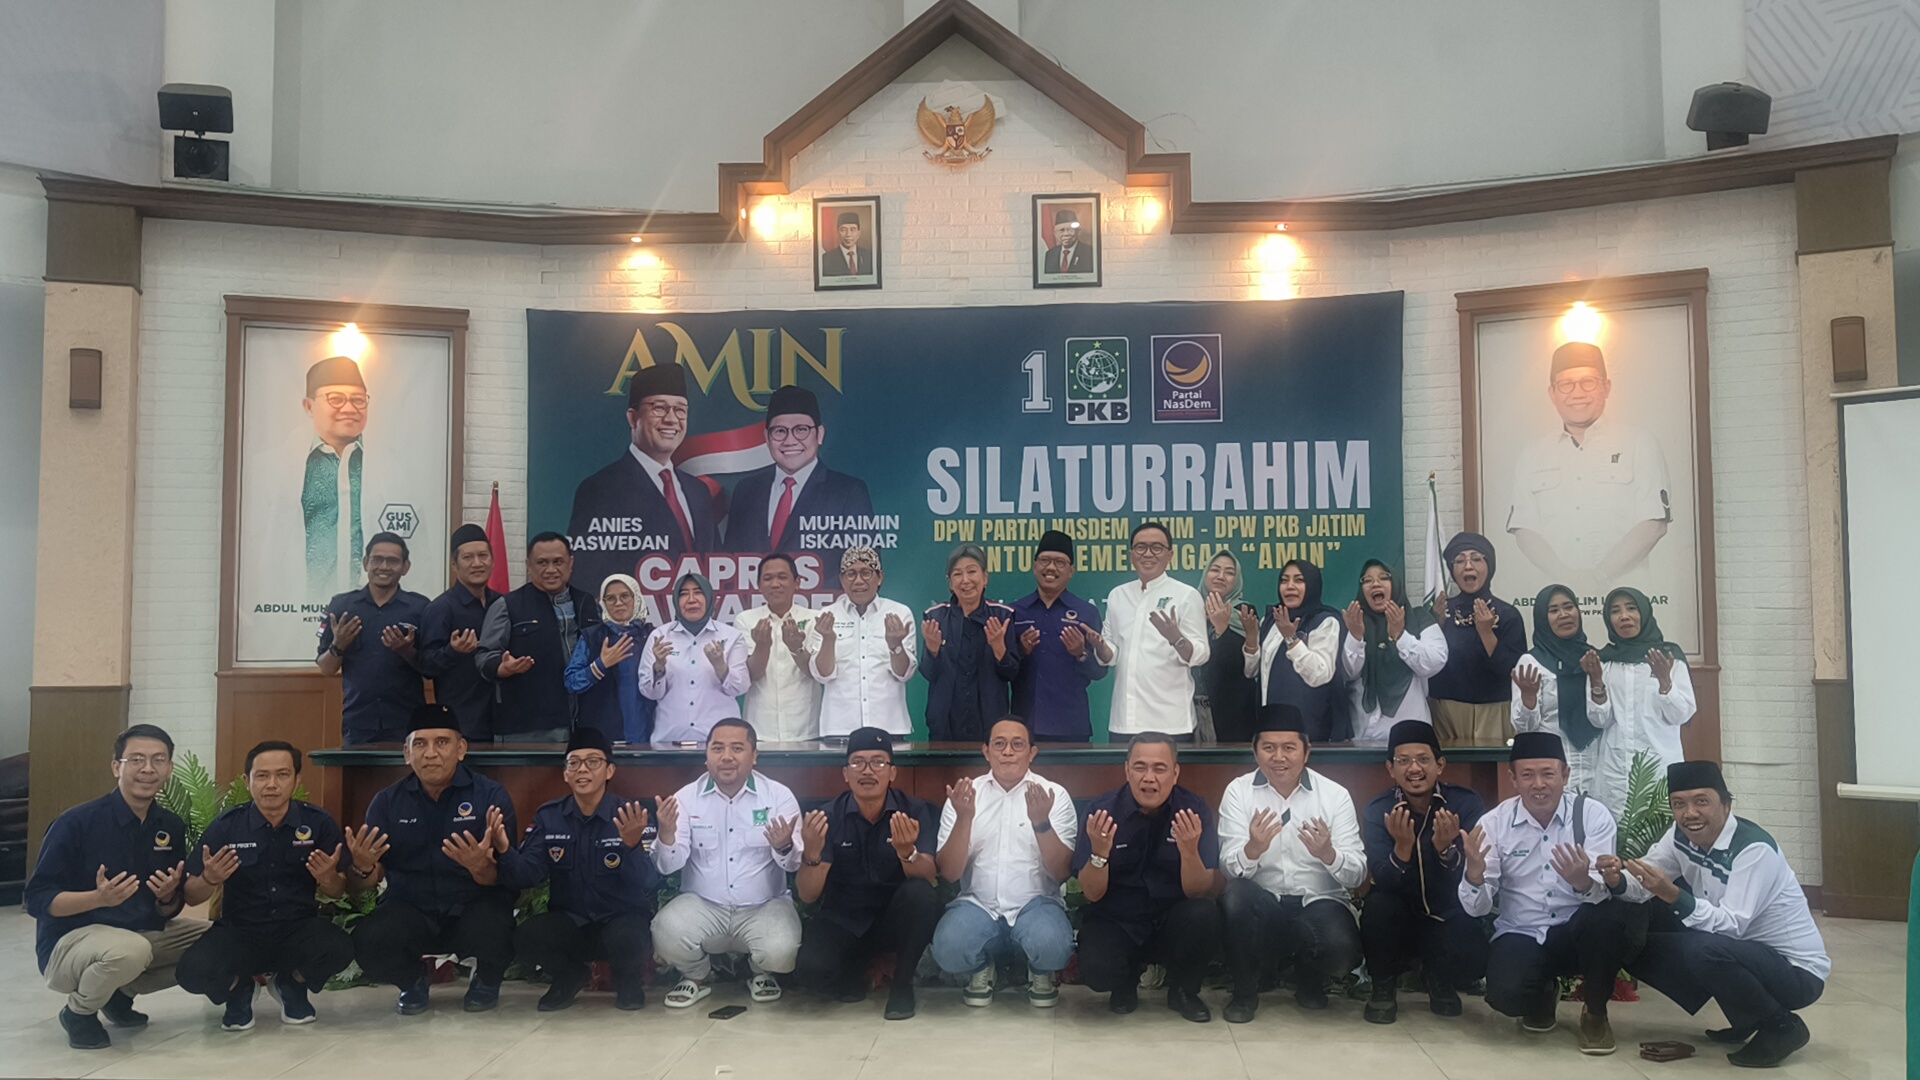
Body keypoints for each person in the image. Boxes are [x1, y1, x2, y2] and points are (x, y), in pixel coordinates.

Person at [1603, 761, 1828, 1068]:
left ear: (1726, 804)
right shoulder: (1679, 836)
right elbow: (1644, 882)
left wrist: (1673, 894)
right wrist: (1616, 879)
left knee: (1704, 948)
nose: (1690, 813)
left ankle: (1782, 1026)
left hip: (1795, 973)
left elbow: (1732, 926)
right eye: (1679, 804)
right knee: (1631, 938)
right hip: (1743, 955)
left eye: (1701, 801)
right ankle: (1749, 1016)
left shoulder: (1753, 849)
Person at [25, 724, 208, 1050]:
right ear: (116, 767)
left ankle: (119, 994)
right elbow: (37, 899)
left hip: (138, 934)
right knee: (130, 950)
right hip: (70, 944)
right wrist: (96, 898)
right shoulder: (76, 822)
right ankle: (79, 1013)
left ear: (169, 769)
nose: (148, 769)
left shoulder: (170, 826)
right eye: (136, 759)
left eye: (158, 760)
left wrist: (168, 897)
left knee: (222, 940)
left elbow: (167, 909)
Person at [1460, 731, 1631, 1055]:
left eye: (1548, 774)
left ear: (1565, 775)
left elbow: (1604, 895)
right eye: (1527, 775)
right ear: (1513, 779)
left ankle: (1595, 1013)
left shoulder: (1591, 816)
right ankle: (1541, 993)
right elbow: (1476, 910)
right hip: (1522, 930)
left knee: (1607, 921)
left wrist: (1582, 882)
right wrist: (1475, 876)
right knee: (1505, 996)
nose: (1538, 784)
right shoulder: (1493, 824)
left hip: (1577, 930)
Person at [346, 704, 520, 1015]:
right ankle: (412, 981)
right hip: (412, 909)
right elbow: (365, 885)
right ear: (407, 753)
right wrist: (363, 867)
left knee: (498, 927)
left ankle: (487, 980)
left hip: (472, 906)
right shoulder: (386, 802)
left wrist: (480, 866)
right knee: (370, 940)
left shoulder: (490, 797)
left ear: (461, 749)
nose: (430, 754)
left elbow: (509, 877)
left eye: (442, 742)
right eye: (420, 744)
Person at [175, 741, 354, 1030]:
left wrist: (328, 878)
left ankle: (291, 983)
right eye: (262, 776)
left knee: (340, 947)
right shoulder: (226, 826)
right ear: (247, 781)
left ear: (297, 780)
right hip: (240, 932)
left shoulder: (318, 823)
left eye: (282, 775)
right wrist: (209, 879)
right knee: (191, 972)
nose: (271, 784)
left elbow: (339, 891)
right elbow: (191, 896)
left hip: (297, 930)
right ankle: (239, 988)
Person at [1216, 704, 1366, 1023]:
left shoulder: (1335, 795)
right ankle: (1245, 992)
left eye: (1289, 748)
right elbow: (1229, 870)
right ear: (1255, 751)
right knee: (1236, 896)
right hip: (1265, 904)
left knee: (1342, 949)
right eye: (1269, 748)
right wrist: (1253, 849)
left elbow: (1357, 874)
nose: (1279, 757)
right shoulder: (1238, 792)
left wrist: (1328, 854)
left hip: (1320, 902)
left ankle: (1308, 979)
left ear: (1306, 751)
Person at [501, 727, 659, 1011]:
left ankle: (628, 979)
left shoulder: (630, 815)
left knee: (630, 938)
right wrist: (504, 851)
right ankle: (569, 975)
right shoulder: (549, 817)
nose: (582, 769)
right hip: (571, 923)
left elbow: (648, 882)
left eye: (592, 762)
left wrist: (632, 846)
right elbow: (528, 875)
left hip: (620, 920)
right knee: (526, 938)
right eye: (574, 763)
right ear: (565, 774)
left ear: (609, 770)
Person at [650, 719, 804, 1008]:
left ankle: (760, 972)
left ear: (754, 756)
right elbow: (667, 867)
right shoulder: (686, 798)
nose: (727, 757)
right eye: (718, 748)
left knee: (781, 951)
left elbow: (794, 864)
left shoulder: (778, 796)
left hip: (764, 905)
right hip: (704, 905)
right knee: (665, 931)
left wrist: (783, 846)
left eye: (737, 748)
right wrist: (667, 835)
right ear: (706, 755)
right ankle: (696, 975)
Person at [793, 727, 942, 1020]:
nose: (867, 771)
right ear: (846, 773)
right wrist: (812, 853)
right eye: (858, 762)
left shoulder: (912, 811)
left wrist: (907, 852)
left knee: (920, 895)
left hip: (893, 920)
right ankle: (859, 969)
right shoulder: (828, 816)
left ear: (892, 772)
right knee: (811, 972)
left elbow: (928, 875)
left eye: (878, 762)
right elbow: (808, 895)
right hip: (844, 920)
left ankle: (902, 985)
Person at [930, 716, 1079, 1008]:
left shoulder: (1054, 795)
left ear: (1032, 753)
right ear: (986, 751)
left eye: (1017, 744)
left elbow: (1062, 872)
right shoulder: (965, 795)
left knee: (1053, 947)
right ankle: (982, 967)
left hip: (1037, 906)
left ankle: (1040, 970)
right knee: (948, 949)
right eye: (999, 744)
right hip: (978, 905)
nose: (1008, 752)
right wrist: (964, 818)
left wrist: (1041, 823)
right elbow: (950, 873)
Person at [1072, 733, 1221, 1022]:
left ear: (1175, 773)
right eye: (1140, 767)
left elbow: (1199, 890)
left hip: (1171, 921)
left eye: (1159, 768)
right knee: (1097, 969)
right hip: (1118, 920)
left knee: (1204, 914)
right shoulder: (1101, 812)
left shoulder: (1194, 811)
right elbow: (1091, 893)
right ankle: (1124, 983)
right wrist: (1100, 853)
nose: (1148, 777)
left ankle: (1183, 991)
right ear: (1127, 770)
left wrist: (1189, 852)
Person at [1507, 341, 1672, 594]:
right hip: (1556, 602)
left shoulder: (1639, 444)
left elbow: (1654, 523)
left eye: (1588, 382)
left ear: (1607, 387)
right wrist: (1567, 580)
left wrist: (1599, 577)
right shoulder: (1533, 455)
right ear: (1552, 393)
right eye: (1566, 384)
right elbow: (1525, 529)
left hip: (1626, 601)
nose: (1578, 393)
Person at [1357, 721, 1488, 1024]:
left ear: (1439, 765)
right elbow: (1383, 878)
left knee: (1476, 957)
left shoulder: (1465, 803)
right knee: (1378, 906)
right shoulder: (1378, 810)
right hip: (1398, 918)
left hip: (1445, 914)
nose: (1414, 769)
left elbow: (1471, 879)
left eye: (1423, 759)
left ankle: (1438, 977)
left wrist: (1445, 851)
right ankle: (1383, 986)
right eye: (1403, 761)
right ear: (1390, 769)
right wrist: (1402, 849)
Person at [565, 361, 718, 588]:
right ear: (632, 418)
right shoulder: (600, 489)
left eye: (680, 410)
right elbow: (586, 578)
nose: (671, 419)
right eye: (659, 408)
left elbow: (716, 564)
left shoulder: (699, 492)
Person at [723, 385, 874, 586]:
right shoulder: (746, 491)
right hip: (752, 605)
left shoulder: (848, 492)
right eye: (780, 431)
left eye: (801, 430)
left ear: (819, 434)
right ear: (766, 437)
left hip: (823, 605)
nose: (790, 440)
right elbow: (729, 563)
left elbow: (863, 570)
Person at [477, 532, 602, 742]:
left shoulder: (588, 604)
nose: (551, 569)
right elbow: (483, 657)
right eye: (542, 563)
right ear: (529, 565)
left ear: (570, 563)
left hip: (585, 724)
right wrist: (502, 667)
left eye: (558, 562)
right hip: (526, 729)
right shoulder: (507, 605)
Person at [1096, 522, 1209, 739]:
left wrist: (1176, 639)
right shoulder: (1117, 595)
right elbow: (1112, 654)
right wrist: (1100, 646)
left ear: (1170, 555)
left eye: (1157, 548)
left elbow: (1201, 654)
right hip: (1124, 721)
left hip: (1171, 722)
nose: (1148, 554)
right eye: (1140, 547)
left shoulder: (1186, 595)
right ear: (1131, 555)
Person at [316, 532, 430, 745]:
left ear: (405, 567)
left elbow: (431, 669)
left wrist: (406, 651)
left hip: (407, 722)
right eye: (377, 559)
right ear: (366, 563)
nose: (384, 567)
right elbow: (326, 668)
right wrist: (338, 646)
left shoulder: (421, 608)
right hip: (358, 722)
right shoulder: (342, 607)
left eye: (393, 561)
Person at [1590, 587, 1695, 814]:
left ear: (1644, 613)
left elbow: (1682, 715)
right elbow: (1600, 721)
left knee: (1659, 831)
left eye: (1631, 608)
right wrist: (1597, 683)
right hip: (1615, 772)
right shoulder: (1604, 662)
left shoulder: (1669, 658)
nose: (1624, 616)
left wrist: (1666, 684)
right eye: (1615, 611)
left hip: (1658, 769)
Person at [1427, 532, 1527, 748]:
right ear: (1452, 569)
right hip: (1445, 713)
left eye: (1476, 559)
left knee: (1491, 769)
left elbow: (1512, 670)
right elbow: (1427, 663)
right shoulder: (1441, 611)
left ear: (1489, 566)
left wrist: (1486, 633)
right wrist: (1435, 626)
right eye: (1459, 560)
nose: (1468, 566)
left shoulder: (1507, 614)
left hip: (1494, 711)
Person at [1008, 530, 1108, 742]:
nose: (1051, 568)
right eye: (1045, 560)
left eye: (1060, 562)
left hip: (1071, 726)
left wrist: (1080, 653)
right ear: (1035, 567)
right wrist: (1021, 651)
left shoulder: (1086, 613)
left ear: (1071, 571)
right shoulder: (1015, 611)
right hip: (1025, 725)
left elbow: (1100, 672)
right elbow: (1004, 669)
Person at [809, 547, 917, 736]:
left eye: (866, 573)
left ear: (879, 577)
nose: (858, 581)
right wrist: (828, 640)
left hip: (889, 726)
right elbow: (822, 676)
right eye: (850, 574)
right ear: (842, 580)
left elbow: (904, 674)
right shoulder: (827, 615)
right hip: (840, 727)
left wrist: (895, 646)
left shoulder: (900, 613)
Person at [1511, 584, 1606, 796]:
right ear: (1543, 619)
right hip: (1552, 770)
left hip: (1596, 766)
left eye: (1569, 607)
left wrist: (1597, 681)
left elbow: (1603, 719)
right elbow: (1525, 728)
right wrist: (1528, 699)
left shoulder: (1594, 658)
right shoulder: (1532, 662)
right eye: (1554, 610)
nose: (1564, 615)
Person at [921, 543, 1020, 742]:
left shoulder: (1003, 616)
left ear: (985, 578)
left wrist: (999, 648)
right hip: (945, 727)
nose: (965, 580)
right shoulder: (935, 617)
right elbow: (929, 673)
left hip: (990, 726)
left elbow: (1011, 674)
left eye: (972, 571)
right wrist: (932, 650)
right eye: (957, 574)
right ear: (950, 583)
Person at [1342, 560, 1447, 743]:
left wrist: (1400, 636)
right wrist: (1356, 637)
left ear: (1396, 584)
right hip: (1362, 733)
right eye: (1367, 580)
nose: (1375, 584)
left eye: (1384, 578)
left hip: (1410, 734)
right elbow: (1348, 673)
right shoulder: (1354, 621)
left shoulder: (1419, 618)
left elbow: (1435, 663)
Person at [640, 572, 749, 748]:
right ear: (676, 601)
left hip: (720, 745)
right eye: (684, 594)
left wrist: (720, 666)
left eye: (698, 592)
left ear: (709, 598)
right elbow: (649, 693)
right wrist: (659, 667)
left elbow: (740, 688)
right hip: (669, 742)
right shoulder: (659, 636)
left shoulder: (731, 636)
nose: (691, 600)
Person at [1244, 559, 1347, 742]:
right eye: (1284, 580)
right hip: (1271, 726)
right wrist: (1252, 639)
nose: (1290, 586)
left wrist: (1291, 639)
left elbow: (1320, 674)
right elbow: (1251, 672)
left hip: (1309, 731)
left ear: (1312, 585)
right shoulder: (1271, 620)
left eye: (1299, 580)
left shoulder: (1324, 621)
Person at [419, 523, 504, 740]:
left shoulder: (502, 603)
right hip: (463, 722)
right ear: (454, 564)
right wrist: (453, 651)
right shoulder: (440, 608)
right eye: (468, 557)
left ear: (493, 561)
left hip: (504, 719)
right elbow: (426, 666)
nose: (477, 563)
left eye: (483, 556)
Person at [300, 354, 370, 596]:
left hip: (369, 603)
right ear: (309, 406)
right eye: (336, 399)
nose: (349, 409)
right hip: (301, 603)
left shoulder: (389, 466)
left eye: (358, 400)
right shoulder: (283, 465)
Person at [732, 553, 821, 743]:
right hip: (761, 728)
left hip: (805, 727)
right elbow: (752, 674)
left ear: (797, 582)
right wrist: (762, 646)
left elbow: (817, 673)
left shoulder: (814, 618)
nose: (775, 584)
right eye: (768, 578)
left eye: (782, 577)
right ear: (759, 585)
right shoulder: (746, 620)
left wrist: (796, 648)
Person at [564, 573, 657, 745]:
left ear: (636, 598)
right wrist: (600, 665)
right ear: (603, 603)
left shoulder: (652, 636)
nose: (618, 603)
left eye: (625, 596)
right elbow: (571, 683)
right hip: (602, 737)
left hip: (647, 734)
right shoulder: (593, 636)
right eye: (611, 598)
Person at [1196, 549, 1258, 744]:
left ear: (1237, 579)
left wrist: (1222, 628)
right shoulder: (1189, 610)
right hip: (1189, 711)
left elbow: (1241, 667)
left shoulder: (1244, 612)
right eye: (1215, 570)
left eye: (1229, 572)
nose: (1221, 576)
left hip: (1233, 712)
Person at [819, 212, 874, 277]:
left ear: (859, 233)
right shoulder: (826, 259)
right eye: (843, 230)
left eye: (853, 230)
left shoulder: (869, 256)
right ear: (837, 232)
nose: (848, 234)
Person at [1042, 209, 1093, 275]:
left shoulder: (1089, 252)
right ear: (1055, 233)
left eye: (1070, 230)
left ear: (1078, 232)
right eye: (1061, 230)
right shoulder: (1050, 254)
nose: (1066, 234)